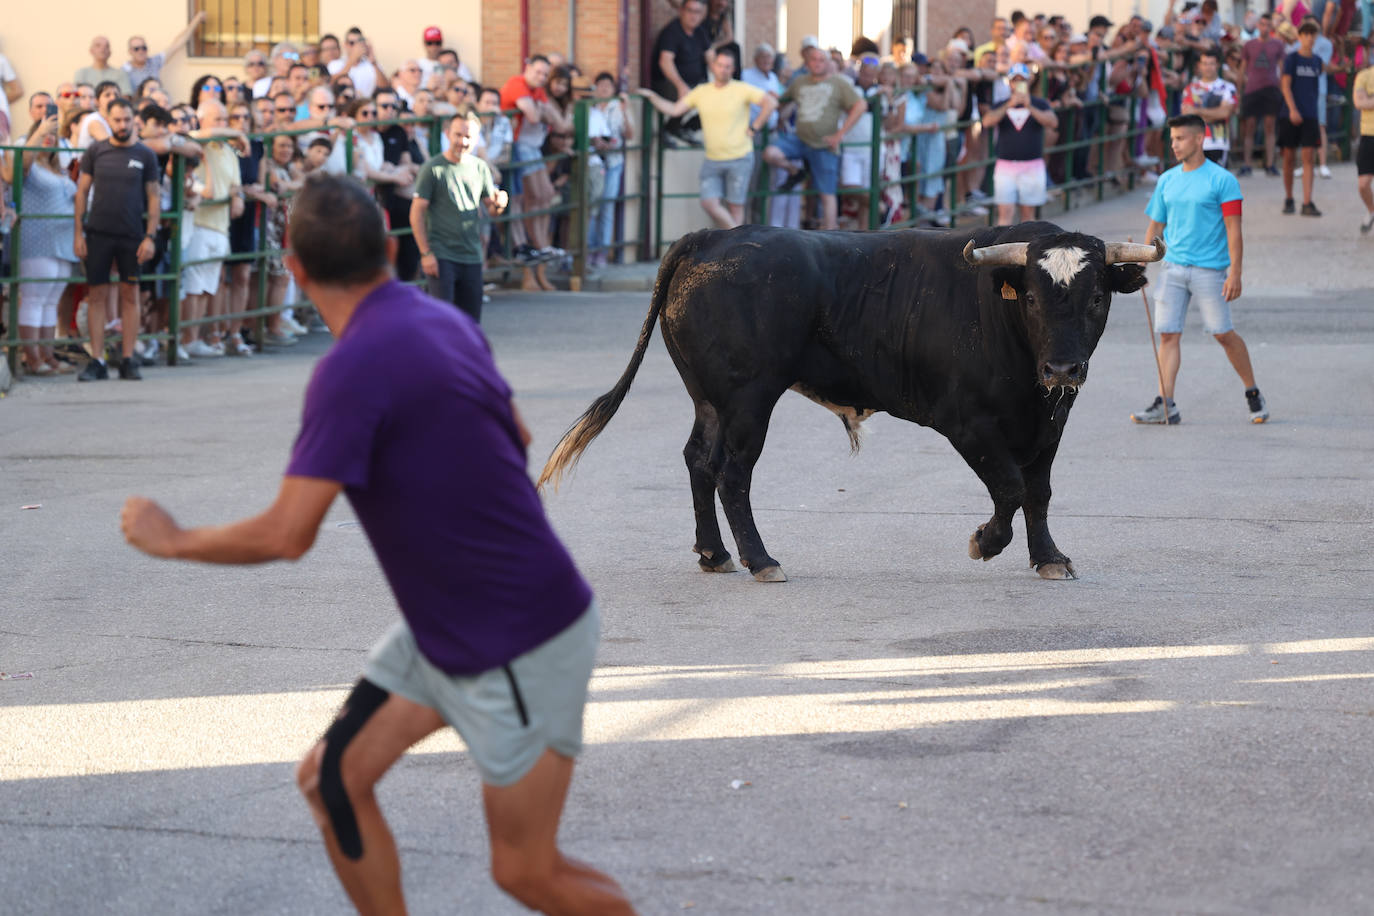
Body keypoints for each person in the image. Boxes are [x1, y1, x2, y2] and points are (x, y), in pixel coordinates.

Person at [119, 173, 636, 916]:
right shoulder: (442, 321)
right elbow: (517, 436)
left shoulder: (349, 370)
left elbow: (287, 533)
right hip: (443, 626)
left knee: (528, 872)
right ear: (389, 249)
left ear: (293, 272)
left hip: (518, 637)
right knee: (331, 780)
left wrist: (172, 540)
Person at [1131, 115, 1268, 426]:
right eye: (1172, 139)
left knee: (1223, 334)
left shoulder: (1222, 180)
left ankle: (1252, 391)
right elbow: (1156, 225)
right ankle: (1166, 403)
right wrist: (1141, 262)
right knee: (1168, 335)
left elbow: (1235, 230)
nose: (1174, 144)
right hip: (1173, 269)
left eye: (1180, 138)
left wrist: (1236, 273)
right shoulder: (1167, 179)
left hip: (1210, 271)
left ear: (1199, 139)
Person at [72, 97, 159, 381]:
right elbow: (82, 192)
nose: (122, 125)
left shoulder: (145, 154)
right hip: (98, 233)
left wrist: (150, 236)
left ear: (135, 120)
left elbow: (154, 197)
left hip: (132, 235)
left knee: (130, 295)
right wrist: (78, 232)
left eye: (127, 120)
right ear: (107, 120)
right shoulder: (96, 151)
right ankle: (97, 359)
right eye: (117, 119)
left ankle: (127, 357)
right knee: (96, 295)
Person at [640, 48, 775, 229]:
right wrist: (652, 96)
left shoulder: (741, 89)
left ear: (733, 69)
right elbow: (674, 109)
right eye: (720, 65)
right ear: (713, 66)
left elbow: (770, 103)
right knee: (708, 203)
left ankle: (735, 247)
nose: (723, 69)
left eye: (727, 66)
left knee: (735, 205)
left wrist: (754, 127)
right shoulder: (702, 91)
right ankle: (735, 238)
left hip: (740, 157)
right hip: (713, 159)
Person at [411, 114, 509, 321]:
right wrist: (425, 253)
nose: (462, 141)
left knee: (471, 321)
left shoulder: (480, 167)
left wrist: (500, 203)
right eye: (458, 135)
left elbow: (491, 208)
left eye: (468, 136)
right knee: (442, 320)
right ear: (447, 134)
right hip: (442, 254)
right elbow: (417, 211)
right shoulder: (433, 168)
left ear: (476, 139)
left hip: (471, 254)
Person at [763, 44, 866, 230]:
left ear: (827, 63)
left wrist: (839, 134)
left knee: (827, 195)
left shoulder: (839, 83)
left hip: (824, 144)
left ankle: (830, 238)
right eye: (813, 60)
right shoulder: (799, 81)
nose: (817, 63)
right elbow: (782, 103)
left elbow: (860, 106)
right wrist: (773, 98)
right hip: (799, 139)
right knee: (770, 153)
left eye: (821, 60)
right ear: (807, 63)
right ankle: (795, 172)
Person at [16, 112, 79, 375]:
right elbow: (22, 163)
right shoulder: (31, 165)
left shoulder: (58, 168)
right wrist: (39, 132)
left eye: (53, 135)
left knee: (51, 300)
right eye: (44, 134)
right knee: (33, 298)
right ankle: (32, 358)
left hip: (61, 242)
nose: (49, 138)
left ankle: (47, 355)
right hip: (36, 239)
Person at [982, 63, 1057, 225]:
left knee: (1028, 216)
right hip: (1006, 166)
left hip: (1032, 165)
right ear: (1009, 83)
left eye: (1022, 80)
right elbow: (987, 121)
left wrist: (1029, 106)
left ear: (1029, 82)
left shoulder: (1039, 103)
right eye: (1014, 80)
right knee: (1005, 214)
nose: (1018, 84)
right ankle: (1002, 248)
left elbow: (1052, 122)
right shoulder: (1001, 104)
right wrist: (1008, 105)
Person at [587, 73, 633, 267]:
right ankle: (588, 250)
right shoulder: (589, 108)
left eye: (608, 85)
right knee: (591, 207)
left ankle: (601, 253)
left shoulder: (618, 107)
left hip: (613, 161)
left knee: (607, 206)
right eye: (601, 85)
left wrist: (625, 110)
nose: (604, 89)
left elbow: (630, 134)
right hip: (594, 162)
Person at [1278, 20, 1323, 216]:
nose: (1310, 38)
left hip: (1310, 114)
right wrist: (1292, 110)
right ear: (1299, 36)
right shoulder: (1292, 59)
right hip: (1290, 114)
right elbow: (1285, 85)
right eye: (1306, 34)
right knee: (1289, 158)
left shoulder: (1317, 61)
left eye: (1313, 34)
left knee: (1308, 159)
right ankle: (1289, 198)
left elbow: (1326, 73)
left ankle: (1307, 201)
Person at [1240, 13, 1286, 176]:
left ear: (1271, 27)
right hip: (1252, 89)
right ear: (1258, 26)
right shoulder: (1249, 45)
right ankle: (1247, 164)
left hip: (1271, 89)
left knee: (1269, 126)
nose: (1265, 28)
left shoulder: (1278, 45)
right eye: (1262, 24)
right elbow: (1242, 68)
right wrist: (1241, 89)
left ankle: (1270, 163)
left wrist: (1282, 89)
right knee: (1249, 127)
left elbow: (1282, 68)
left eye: (1268, 25)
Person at [1180, 46, 1238, 166]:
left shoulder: (1228, 88)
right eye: (1205, 63)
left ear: (1217, 65)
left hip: (1218, 144)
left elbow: (1225, 113)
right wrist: (1215, 113)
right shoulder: (1190, 88)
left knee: (1217, 183)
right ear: (1199, 65)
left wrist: (1196, 111)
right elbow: (1187, 117)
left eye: (1211, 63)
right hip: (1194, 145)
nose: (1208, 67)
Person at [123, 12, 206, 89]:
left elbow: (177, 44)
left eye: (144, 48)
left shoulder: (153, 62)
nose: (141, 51)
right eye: (136, 49)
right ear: (130, 51)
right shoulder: (125, 70)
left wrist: (196, 20)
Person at [1355, 45, 1374, 233]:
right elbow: (1359, 102)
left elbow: (1366, 101)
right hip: (1369, 134)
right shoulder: (1365, 76)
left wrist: (1371, 99)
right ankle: (1371, 210)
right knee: (1363, 184)